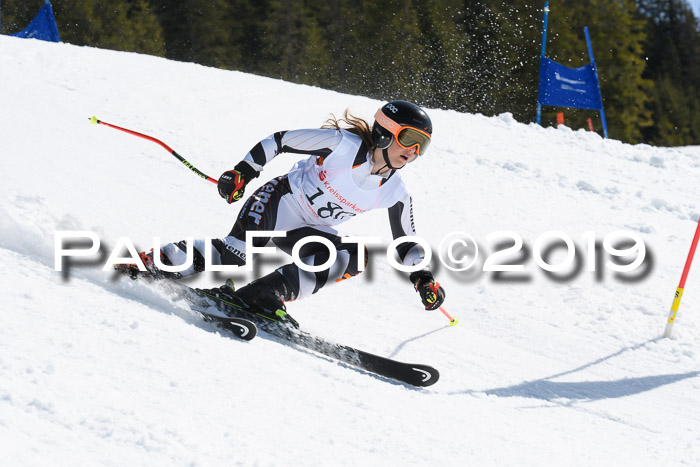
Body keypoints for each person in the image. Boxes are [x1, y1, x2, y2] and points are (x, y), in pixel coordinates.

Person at [118, 100, 446, 321]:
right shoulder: (340, 144)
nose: (414, 151)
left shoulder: (395, 192)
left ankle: (264, 294)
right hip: (281, 201)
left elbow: (407, 244)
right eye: (410, 139)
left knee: (355, 256)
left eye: (423, 146)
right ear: (385, 131)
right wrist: (243, 172)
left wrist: (424, 279)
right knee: (235, 255)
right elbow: (279, 140)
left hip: (310, 232)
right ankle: (151, 262)